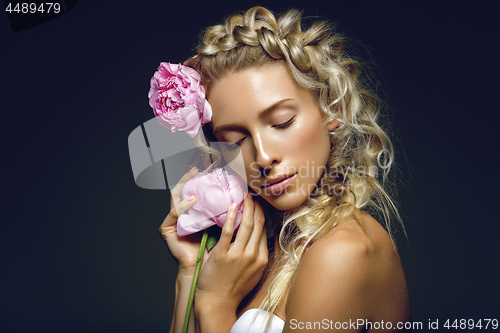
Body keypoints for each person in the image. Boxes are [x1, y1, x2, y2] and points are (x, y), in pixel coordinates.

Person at [158, 6, 411, 332]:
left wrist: (213, 303)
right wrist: (192, 272)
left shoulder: (342, 253)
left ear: (331, 108)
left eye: (282, 122)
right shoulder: (254, 253)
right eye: (236, 140)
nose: (263, 157)